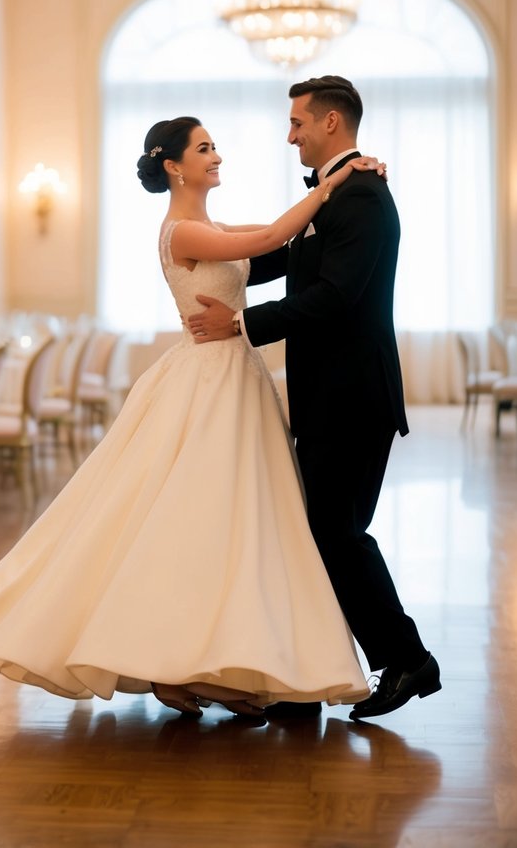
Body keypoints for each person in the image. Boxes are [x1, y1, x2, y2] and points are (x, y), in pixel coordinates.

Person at [0, 115, 379, 721]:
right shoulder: (182, 231)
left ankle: (213, 661)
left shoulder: (209, 223)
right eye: (205, 149)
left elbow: (283, 240)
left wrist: (334, 193)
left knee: (235, 522)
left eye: (215, 147)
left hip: (235, 378)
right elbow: (266, 243)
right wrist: (331, 184)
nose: (217, 157)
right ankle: (174, 663)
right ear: (174, 165)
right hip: (208, 383)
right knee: (194, 517)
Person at [187, 77, 441, 721]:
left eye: (298, 122)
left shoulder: (361, 198)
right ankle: (311, 675)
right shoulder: (334, 196)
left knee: (337, 532)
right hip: (328, 400)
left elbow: (335, 297)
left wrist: (240, 325)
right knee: (323, 533)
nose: (290, 133)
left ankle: (407, 658)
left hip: (354, 399)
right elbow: (270, 257)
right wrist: (194, 233)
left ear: (332, 123)